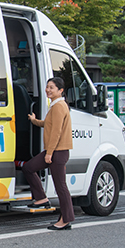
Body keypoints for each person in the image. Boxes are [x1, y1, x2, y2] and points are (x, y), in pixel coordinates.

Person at [24, 77, 76, 230]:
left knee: (61, 186)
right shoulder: (55, 106)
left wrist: (49, 153)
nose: (48, 90)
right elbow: (48, 124)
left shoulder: (59, 106)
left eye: (51, 87)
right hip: (54, 151)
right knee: (28, 168)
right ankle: (41, 198)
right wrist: (35, 121)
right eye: (47, 87)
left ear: (60, 90)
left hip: (57, 153)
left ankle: (66, 219)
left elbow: (56, 132)